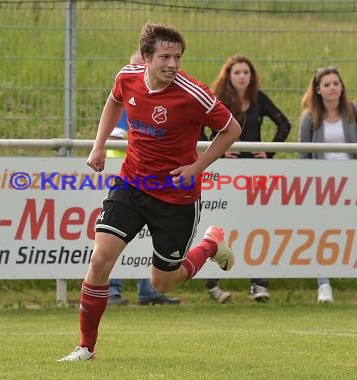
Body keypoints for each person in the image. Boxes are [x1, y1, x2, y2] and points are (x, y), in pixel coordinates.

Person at [58, 22, 241, 362]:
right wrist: (98, 147)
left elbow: (232, 128)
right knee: (99, 260)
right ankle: (86, 347)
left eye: (178, 57)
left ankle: (210, 244)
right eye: (165, 57)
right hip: (131, 184)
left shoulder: (193, 93)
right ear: (146, 58)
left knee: (163, 284)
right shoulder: (127, 77)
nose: (172, 64)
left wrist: (196, 167)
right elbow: (114, 102)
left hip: (176, 197)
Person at [205, 55, 292, 303]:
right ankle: (213, 285)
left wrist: (269, 151)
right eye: (237, 72)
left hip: (253, 171)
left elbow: (283, 124)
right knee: (220, 225)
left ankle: (259, 284)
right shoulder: (217, 99)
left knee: (256, 224)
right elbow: (197, 126)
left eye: (246, 72)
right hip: (224, 171)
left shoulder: (258, 99)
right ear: (228, 76)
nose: (242, 76)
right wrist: (217, 149)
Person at [299, 66, 357, 304]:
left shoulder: (355, 111)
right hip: (322, 185)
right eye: (327, 84)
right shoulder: (309, 118)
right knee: (322, 234)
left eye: (336, 83)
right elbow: (303, 154)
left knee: (355, 232)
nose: (332, 87)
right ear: (318, 90)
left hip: (352, 183)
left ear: (341, 86)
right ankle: (323, 285)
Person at [106, 52, 181, 307]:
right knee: (114, 239)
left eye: (141, 66)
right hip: (125, 176)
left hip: (153, 180)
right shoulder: (128, 94)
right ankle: (113, 290)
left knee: (152, 238)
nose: (139, 71)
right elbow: (115, 136)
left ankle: (147, 290)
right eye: (135, 66)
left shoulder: (166, 99)